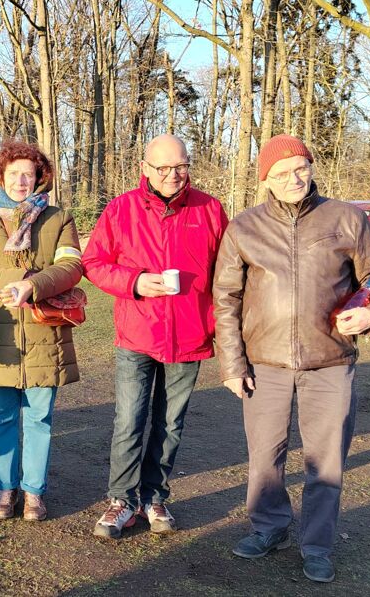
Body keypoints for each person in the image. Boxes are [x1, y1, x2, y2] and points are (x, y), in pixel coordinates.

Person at [213, 134, 370, 583]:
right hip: (264, 364)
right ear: (266, 181)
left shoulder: (347, 218)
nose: (293, 179)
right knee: (265, 457)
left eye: (300, 168)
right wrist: (233, 366)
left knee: (325, 459)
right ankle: (269, 527)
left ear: (311, 168)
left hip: (330, 360)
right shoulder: (244, 228)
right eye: (281, 173)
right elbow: (225, 300)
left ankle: (316, 545)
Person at [82, 134, 228, 537]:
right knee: (129, 420)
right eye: (163, 167)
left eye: (181, 166)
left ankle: (154, 496)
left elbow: (227, 274)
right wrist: (136, 282)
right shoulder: (121, 209)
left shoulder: (210, 209)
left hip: (190, 335)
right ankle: (121, 500)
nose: (173, 175)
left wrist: (217, 325)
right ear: (144, 169)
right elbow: (93, 263)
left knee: (170, 423)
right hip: (137, 333)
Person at [0, 139, 83, 522]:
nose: (20, 181)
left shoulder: (59, 218)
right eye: (13, 173)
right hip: (2, 334)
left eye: (27, 175)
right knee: (2, 417)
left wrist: (33, 286)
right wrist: (15, 279)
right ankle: (5, 489)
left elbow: (71, 267)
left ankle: (33, 492)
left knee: (39, 418)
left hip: (45, 332)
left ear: (39, 178)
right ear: (0, 175)